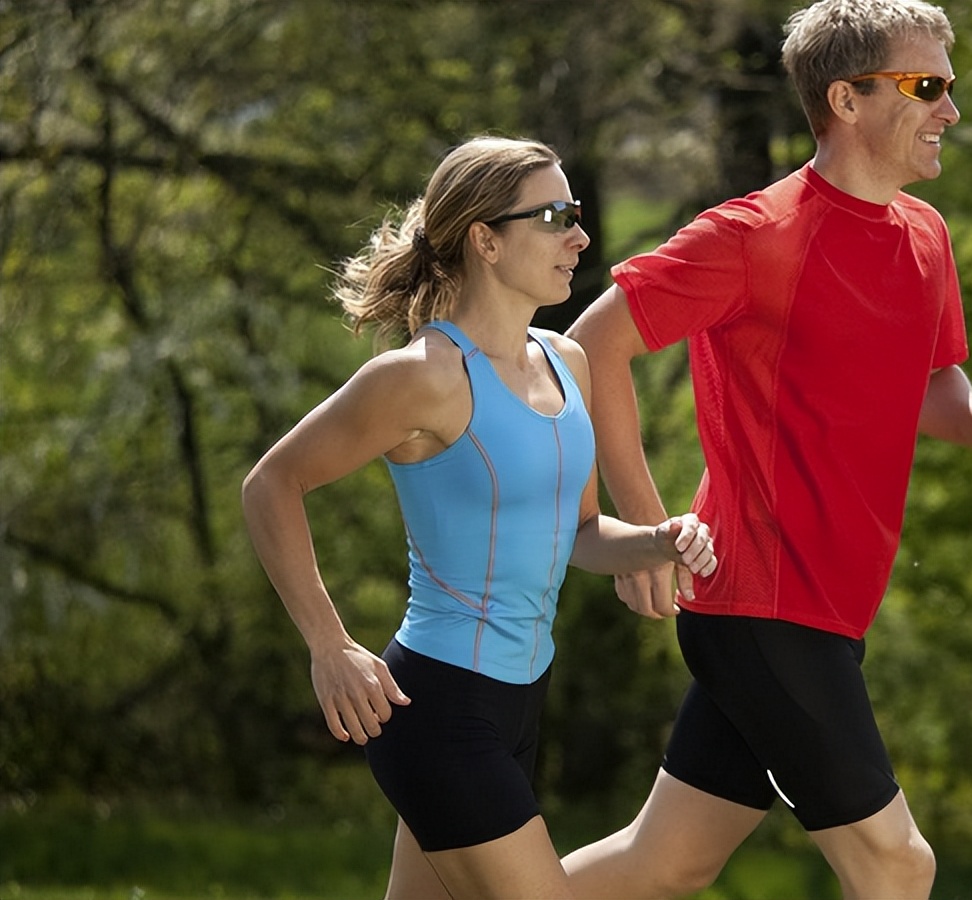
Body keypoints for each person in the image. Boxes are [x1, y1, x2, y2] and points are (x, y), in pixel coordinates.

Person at [557, 1, 972, 898]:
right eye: (927, 88)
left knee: (664, 862)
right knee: (895, 863)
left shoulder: (925, 237)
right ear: (845, 98)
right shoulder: (752, 236)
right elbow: (590, 343)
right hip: (760, 602)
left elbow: (932, 385)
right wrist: (642, 529)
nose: (950, 111)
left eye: (950, 88)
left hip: (831, 608)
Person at [241, 136, 717, 900]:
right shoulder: (420, 378)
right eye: (555, 216)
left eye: (579, 214)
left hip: (521, 703)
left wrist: (658, 540)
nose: (581, 237)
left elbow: (583, 537)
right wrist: (329, 646)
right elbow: (271, 485)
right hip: (438, 707)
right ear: (485, 240)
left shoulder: (568, 362)